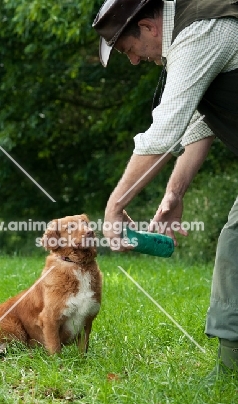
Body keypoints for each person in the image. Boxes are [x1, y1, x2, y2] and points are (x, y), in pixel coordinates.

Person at [92, 0, 238, 376]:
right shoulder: (188, 42)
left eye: (129, 50)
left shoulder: (200, 31)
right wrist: (174, 194)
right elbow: (198, 124)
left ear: (149, 27)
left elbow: (163, 132)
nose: (135, 61)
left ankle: (229, 371)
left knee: (234, 245)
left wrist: (114, 206)